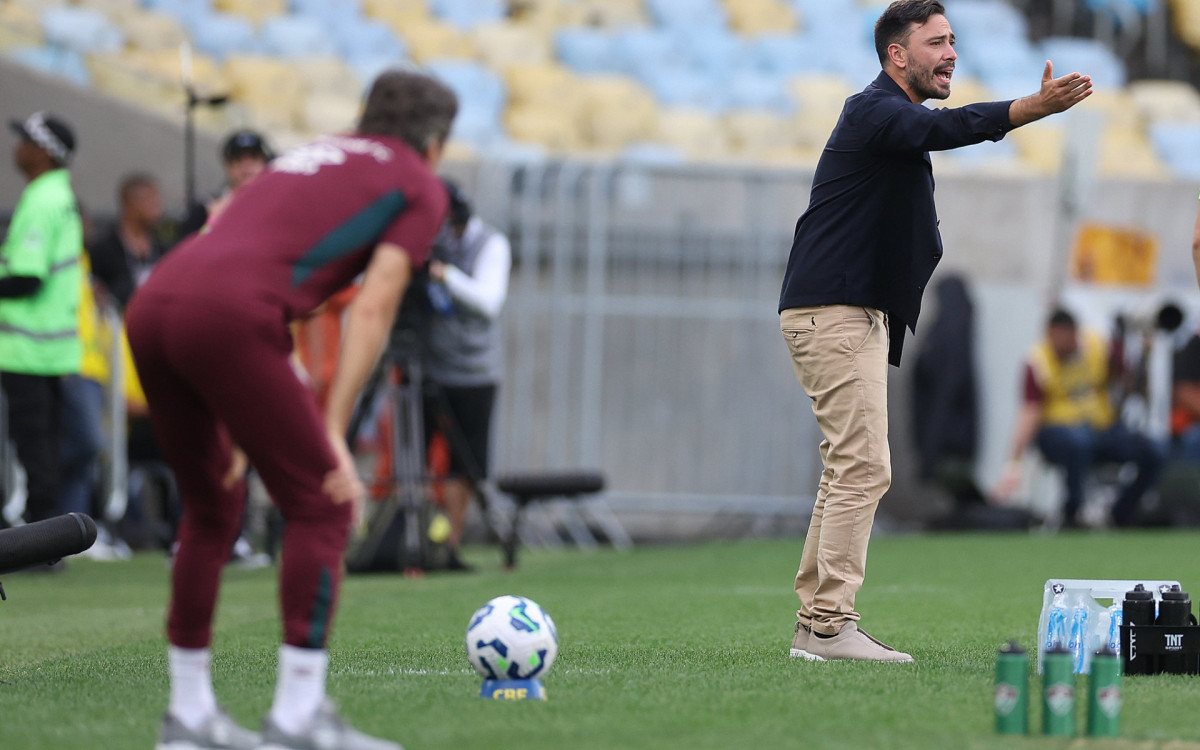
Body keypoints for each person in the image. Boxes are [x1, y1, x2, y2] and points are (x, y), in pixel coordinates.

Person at [127, 70, 456, 750]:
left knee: (211, 508)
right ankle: (298, 717)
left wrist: (258, 401)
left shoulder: (314, 153)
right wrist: (333, 430)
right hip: (228, 315)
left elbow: (236, 240)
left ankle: (187, 719)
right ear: (435, 142)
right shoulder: (418, 184)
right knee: (325, 503)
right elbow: (373, 306)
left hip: (157, 304)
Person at [778, 0, 1092, 663]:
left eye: (954, 40)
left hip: (838, 310)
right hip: (833, 311)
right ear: (897, 54)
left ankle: (816, 624)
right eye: (937, 42)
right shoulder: (875, 110)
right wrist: (1028, 110)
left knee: (847, 468)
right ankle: (832, 626)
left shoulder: (886, 119)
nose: (951, 52)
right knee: (864, 466)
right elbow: (948, 129)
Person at [995, 308, 1166, 527]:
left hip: (1102, 430)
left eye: (1062, 338)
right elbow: (1030, 412)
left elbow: (1130, 387)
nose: (1058, 345)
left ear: (1074, 332)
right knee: (1078, 441)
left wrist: (1142, 355)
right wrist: (1014, 463)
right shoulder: (1037, 359)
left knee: (1155, 450)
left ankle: (1120, 514)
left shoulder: (1099, 346)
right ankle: (1072, 513)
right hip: (1056, 434)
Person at [416, 179, 511, 571]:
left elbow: (488, 302)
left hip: (472, 373)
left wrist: (444, 276)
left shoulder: (490, 243)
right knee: (413, 458)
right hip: (425, 366)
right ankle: (410, 540)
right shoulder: (420, 243)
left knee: (465, 463)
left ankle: (448, 546)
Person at [0, 111, 82, 525]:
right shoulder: (61, 196)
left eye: (26, 141)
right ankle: (45, 533)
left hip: (26, 347)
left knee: (32, 444)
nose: (17, 148)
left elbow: (26, 279)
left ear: (44, 153)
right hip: (49, 347)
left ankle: (38, 536)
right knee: (42, 444)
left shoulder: (41, 200)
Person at [87, 172, 167, 310]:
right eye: (149, 200)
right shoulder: (103, 250)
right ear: (128, 203)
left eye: (157, 200)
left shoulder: (163, 248)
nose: (157, 207)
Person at [178, 129, 273, 238]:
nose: (247, 166)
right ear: (227, 165)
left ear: (265, 163)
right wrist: (212, 222)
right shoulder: (205, 209)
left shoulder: (277, 205)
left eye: (254, 158)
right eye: (238, 159)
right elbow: (187, 250)